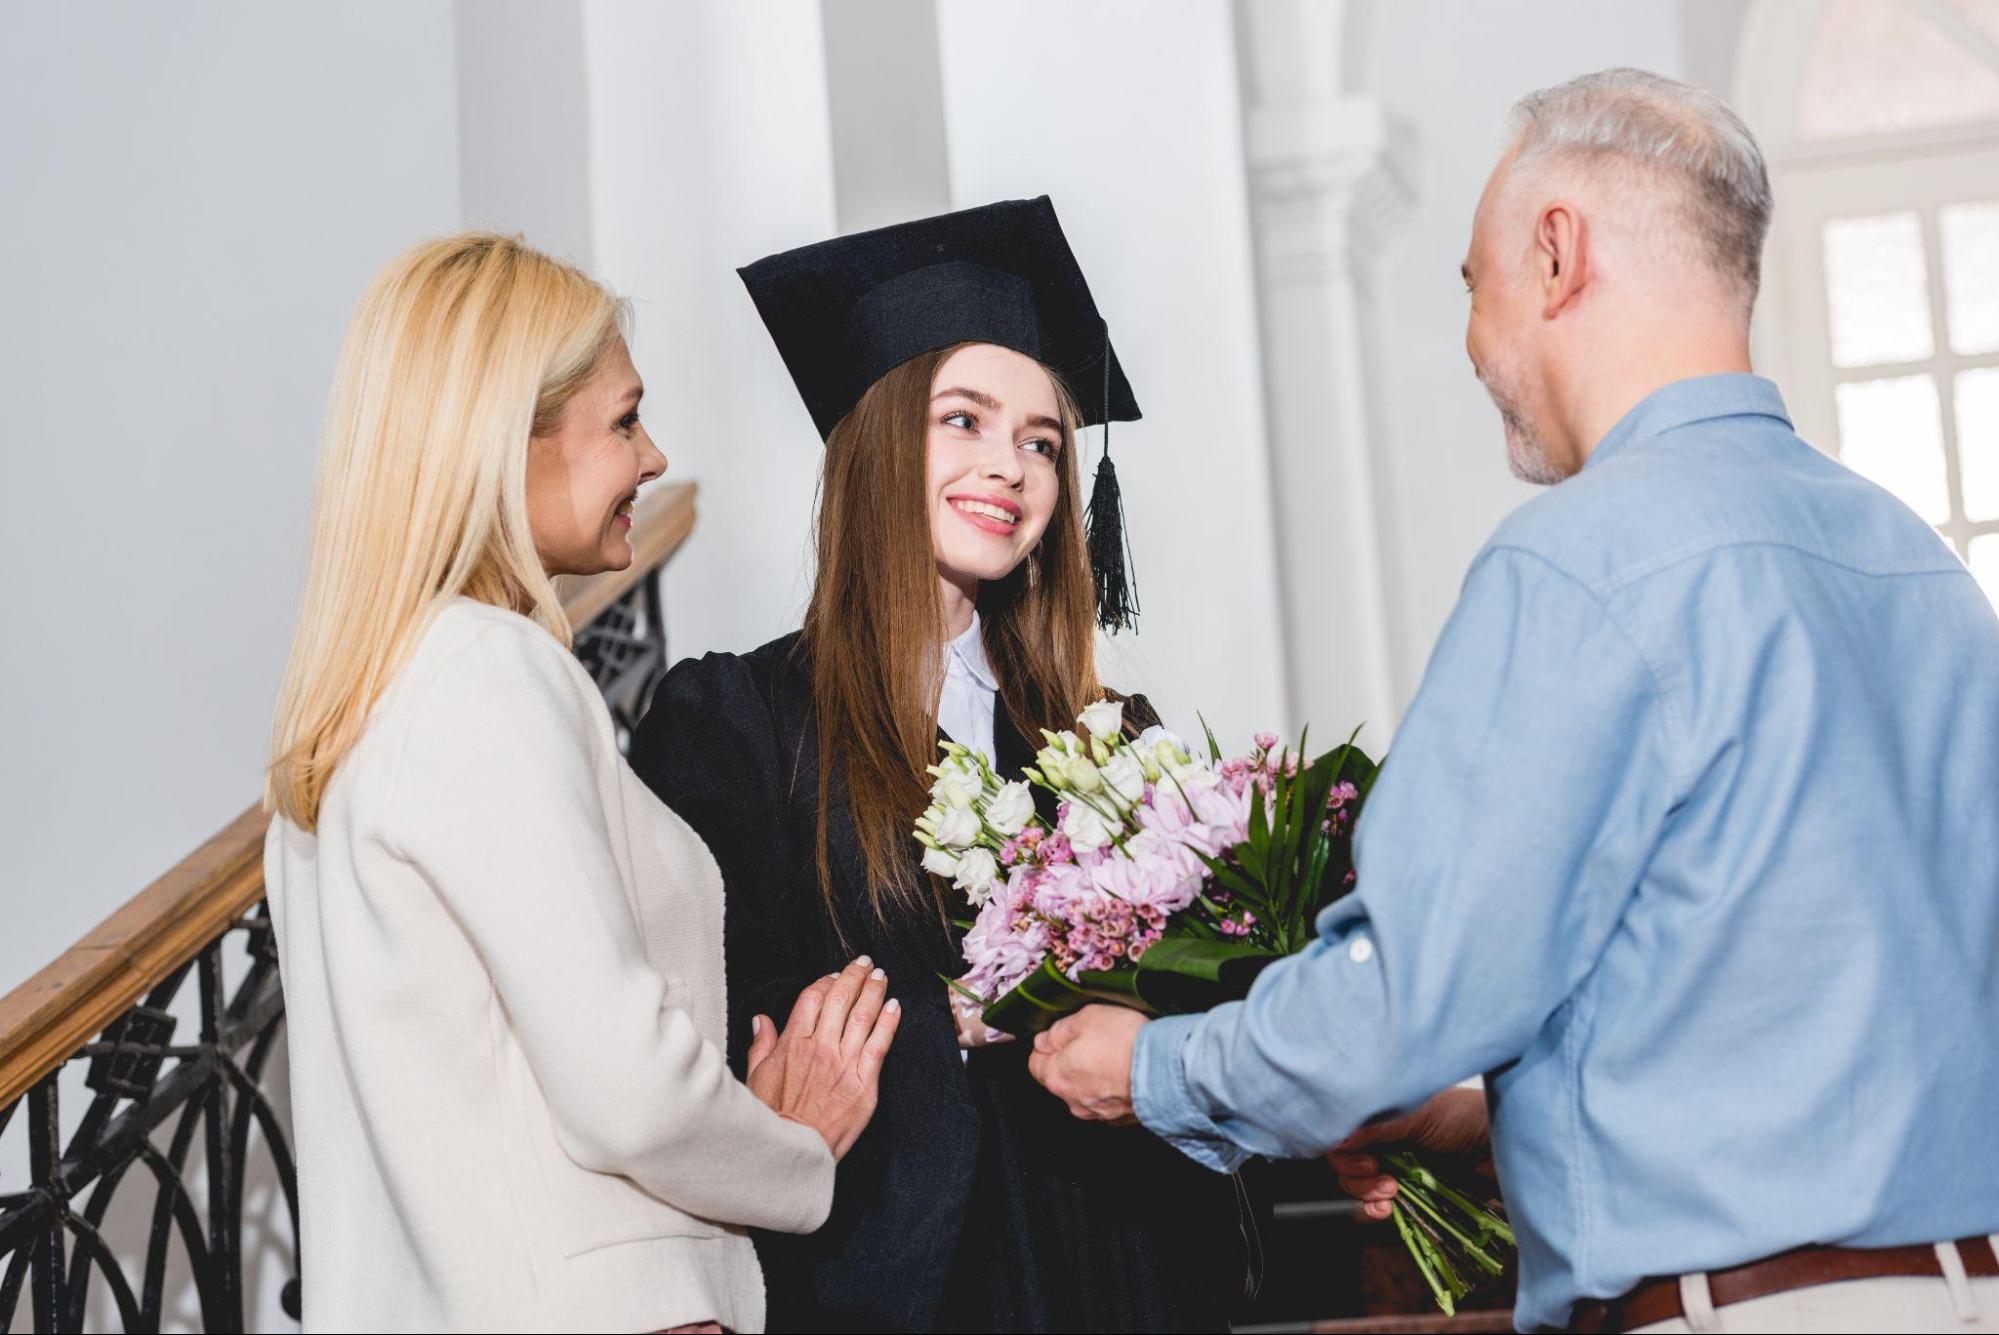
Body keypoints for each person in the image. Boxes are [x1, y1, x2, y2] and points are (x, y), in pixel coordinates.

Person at [1027, 69, 1999, 1333]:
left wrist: (1149, 1066)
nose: (1474, 343)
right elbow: (1807, 1010)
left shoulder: (1579, 562)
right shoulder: (1919, 566)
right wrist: (1487, 1117)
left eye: (1470, 283)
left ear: (1554, 254)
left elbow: (1400, 1000)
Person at [628, 198, 1247, 1333]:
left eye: (1042, 441)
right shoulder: (738, 723)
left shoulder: (1110, 743)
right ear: (877, 439)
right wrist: (953, 1008)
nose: (1007, 467)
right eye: (961, 420)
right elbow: (718, 1016)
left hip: (1119, 1267)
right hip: (901, 1275)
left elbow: (1189, 1005)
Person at [264, 232, 900, 1334]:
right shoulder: (486, 675)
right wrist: (792, 1148)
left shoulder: (353, 708)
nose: (652, 460)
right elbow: (626, 1087)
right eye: (623, 420)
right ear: (502, 442)